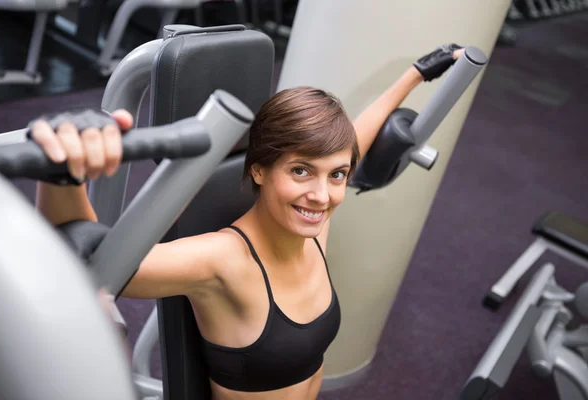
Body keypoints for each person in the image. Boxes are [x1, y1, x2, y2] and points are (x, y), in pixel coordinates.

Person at [33, 44, 464, 400]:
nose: (323, 194)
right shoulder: (221, 260)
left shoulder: (311, 226)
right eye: (300, 171)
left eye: (336, 176)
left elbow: (356, 140)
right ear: (259, 169)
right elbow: (87, 265)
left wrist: (417, 73)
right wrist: (63, 170)